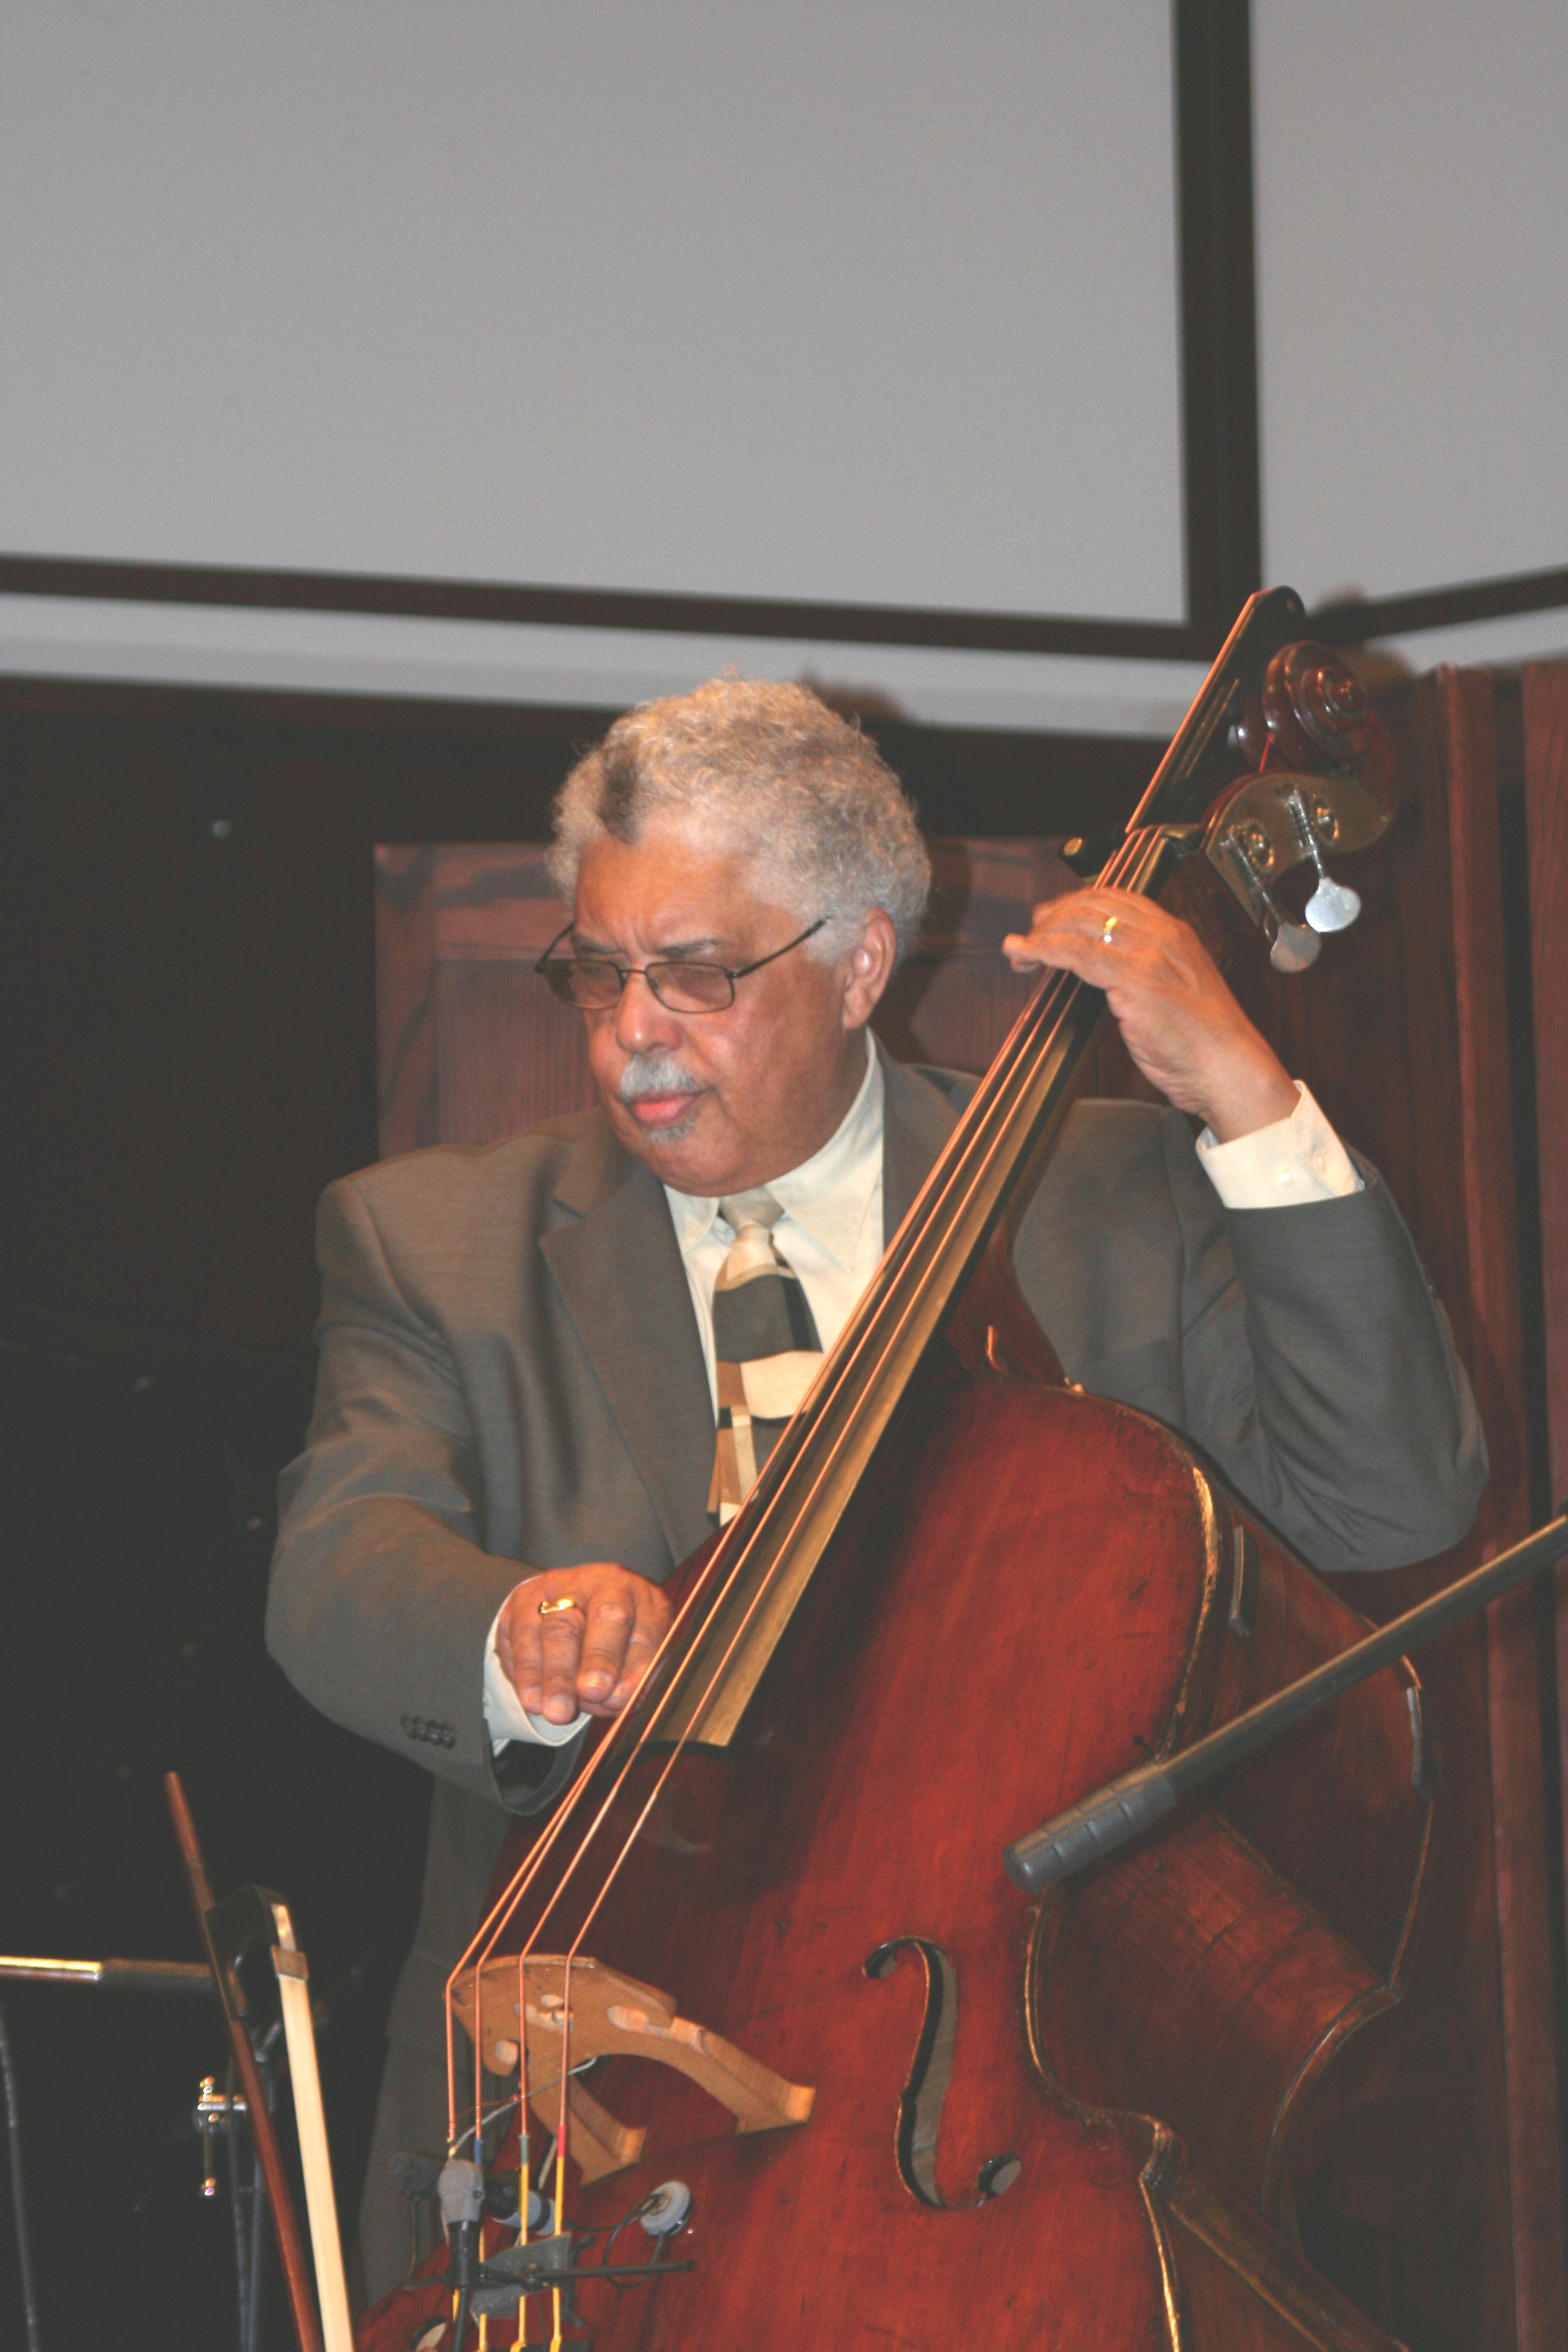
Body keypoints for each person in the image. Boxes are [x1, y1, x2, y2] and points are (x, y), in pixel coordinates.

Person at [266, 677, 1486, 2297]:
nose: (633, 1033)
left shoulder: (1109, 1198)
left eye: (696, 975)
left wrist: (1252, 1112)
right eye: (595, 974)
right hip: (586, 2156)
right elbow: (336, 1565)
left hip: (989, 2147)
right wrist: (513, 1629)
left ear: (857, 964)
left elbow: (1392, 1505)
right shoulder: (433, 1241)